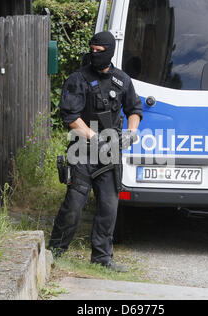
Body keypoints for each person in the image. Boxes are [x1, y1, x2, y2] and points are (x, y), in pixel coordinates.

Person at [48, 31, 143, 272]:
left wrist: (131, 131)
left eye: (99, 51)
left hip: (109, 155)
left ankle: (102, 259)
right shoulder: (77, 79)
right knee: (74, 206)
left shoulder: (122, 80)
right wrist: (94, 137)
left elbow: (134, 108)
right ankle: (55, 253)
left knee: (109, 208)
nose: (94, 54)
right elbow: (70, 117)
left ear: (110, 52)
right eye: (92, 49)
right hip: (82, 152)